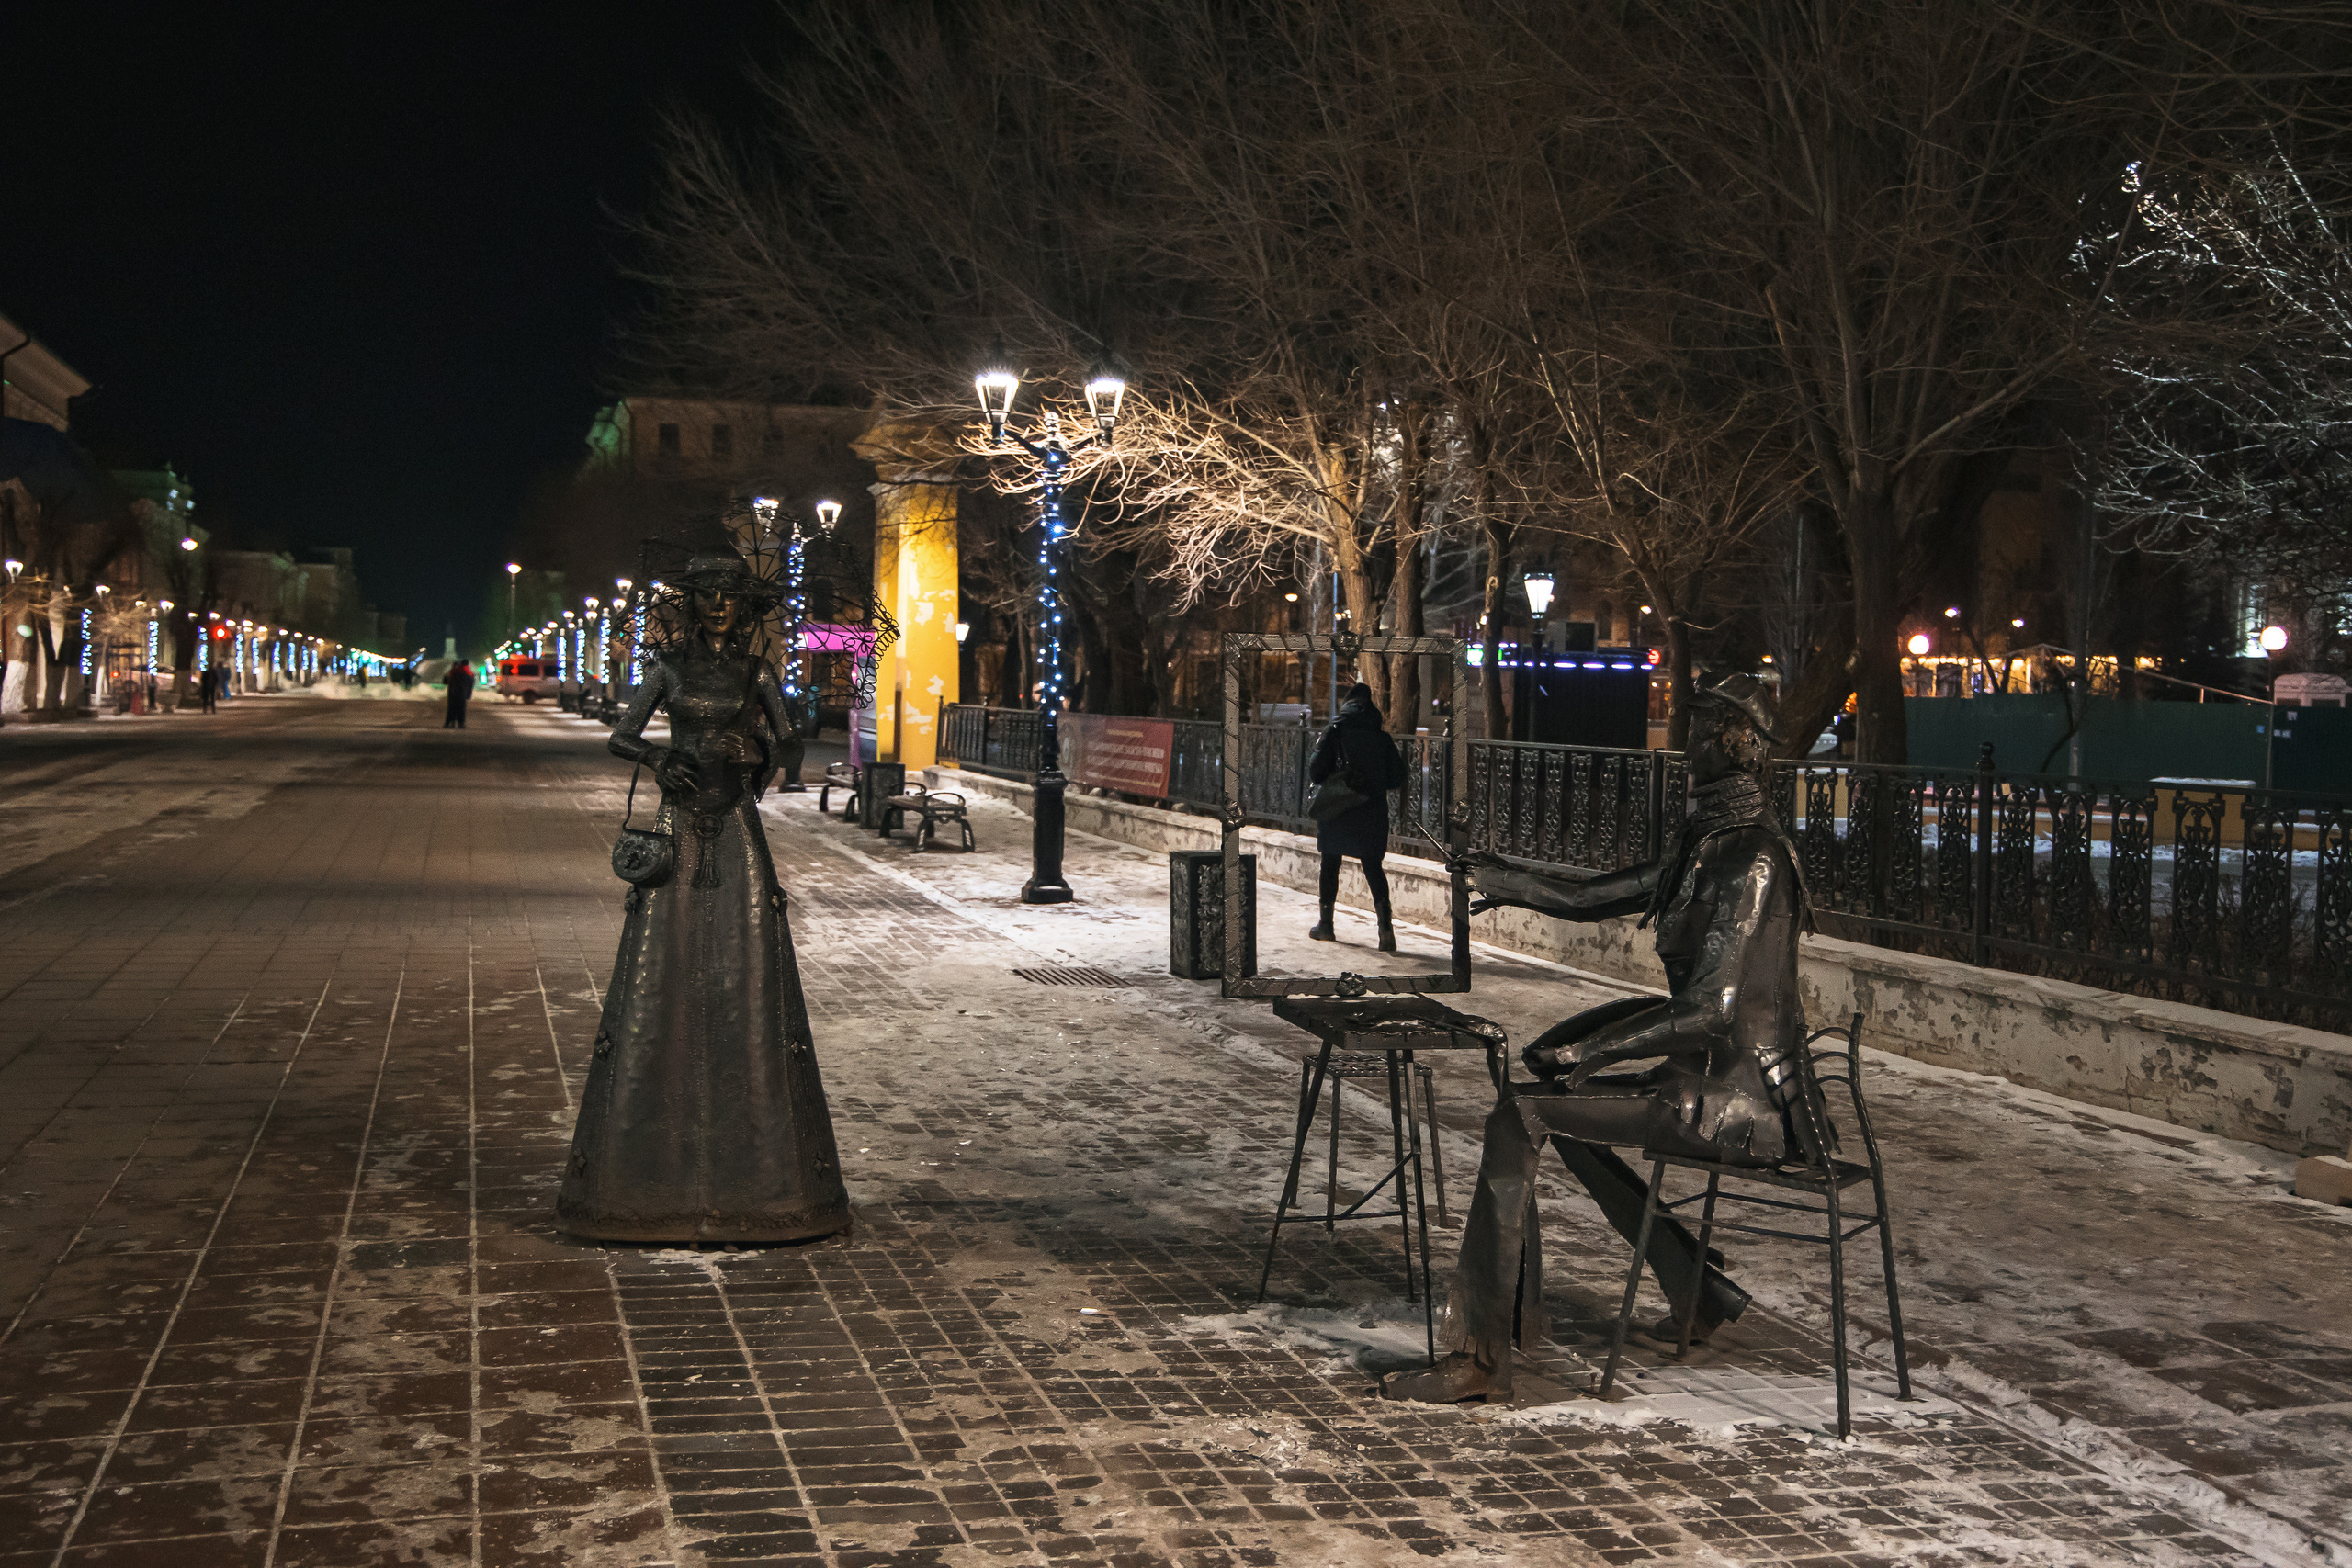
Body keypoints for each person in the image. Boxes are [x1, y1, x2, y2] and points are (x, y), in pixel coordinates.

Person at [1383, 672, 1828, 1404]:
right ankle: (1695, 1287)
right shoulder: (1709, 844)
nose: (1683, 747)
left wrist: (1594, 1050)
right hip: (1703, 1080)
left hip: (1737, 1099)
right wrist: (1498, 876)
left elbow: (1713, 1007)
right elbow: (1596, 896)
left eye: (1695, 731)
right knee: (1552, 1099)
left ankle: (1482, 1359)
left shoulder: (1751, 857)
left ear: (1733, 741)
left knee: (1521, 1112)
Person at [556, 553, 849, 1245]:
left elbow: (790, 741)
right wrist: (662, 758)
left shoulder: (754, 673)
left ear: (744, 609)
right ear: (691, 604)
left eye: (730, 597)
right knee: (666, 965)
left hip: (738, 826)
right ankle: (649, 1172)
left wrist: (759, 763)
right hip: (679, 822)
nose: (719, 605)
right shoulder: (669, 669)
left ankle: (756, 1171)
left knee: (748, 969)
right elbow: (622, 735)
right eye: (708, 595)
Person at [1306, 682, 1408, 951]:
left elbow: (1315, 772)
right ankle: (1386, 931)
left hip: (1337, 809)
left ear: (1347, 705)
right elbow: (1397, 778)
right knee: (1373, 866)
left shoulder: (1335, 732)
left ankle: (1326, 926)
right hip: (1372, 811)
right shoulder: (1382, 739)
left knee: (1330, 863)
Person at [443, 659, 474, 729]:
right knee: (461, 709)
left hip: (452, 694)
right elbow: (470, 686)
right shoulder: (468, 674)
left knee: (451, 709)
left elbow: (445, 681)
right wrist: (468, 696)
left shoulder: (453, 672)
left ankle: (449, 722)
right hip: (462, 694)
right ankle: (461, 723)